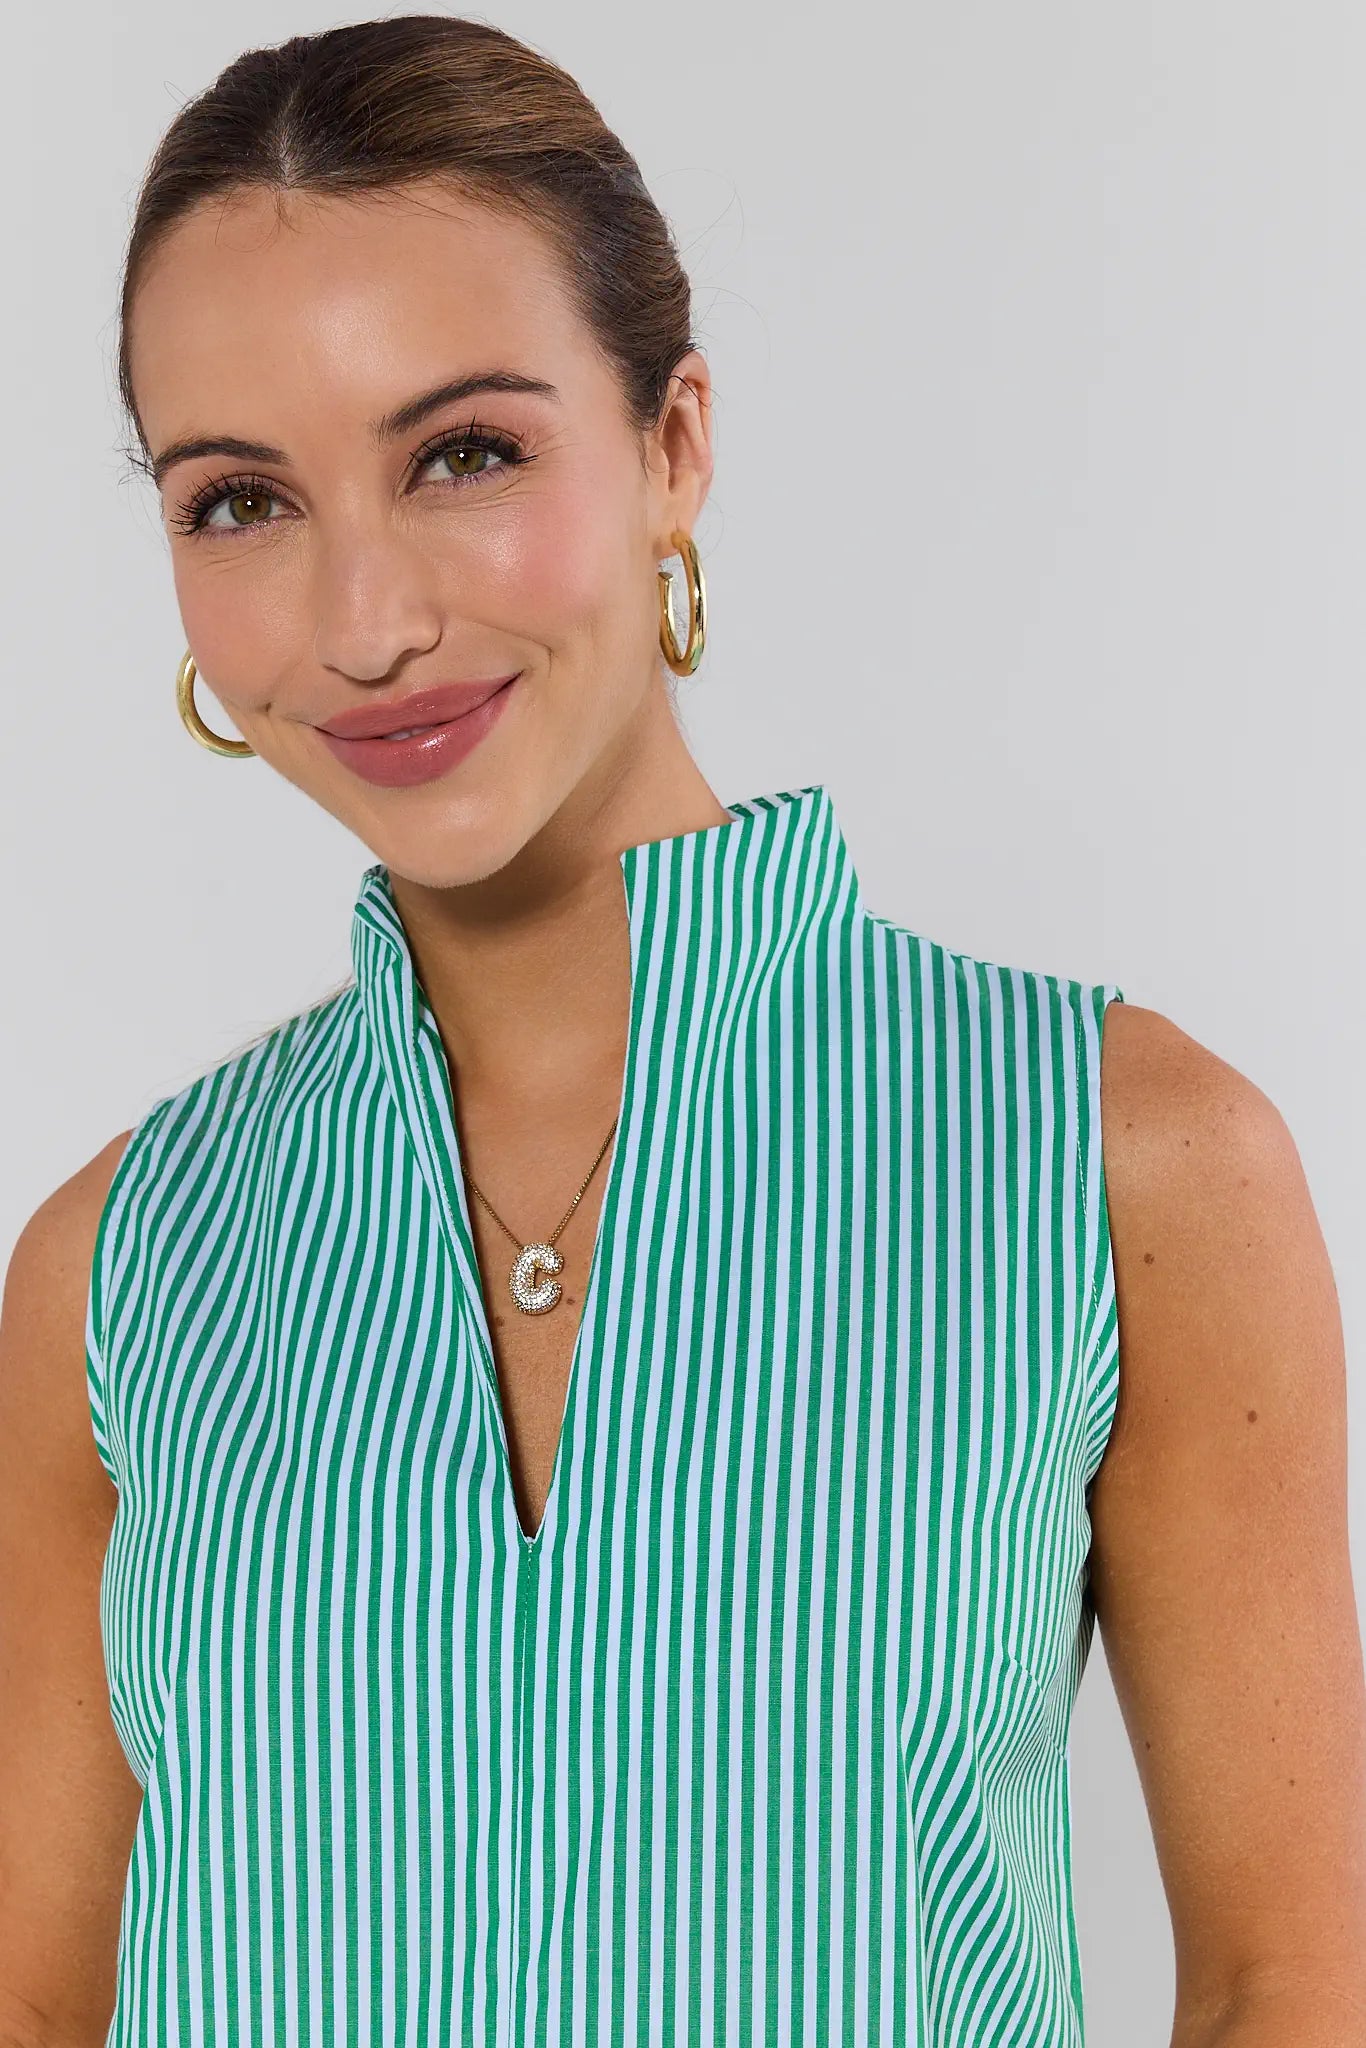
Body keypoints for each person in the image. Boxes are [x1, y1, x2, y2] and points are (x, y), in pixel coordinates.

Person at [1, 16, 1363, 2047]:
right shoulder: (120, 1265)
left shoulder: (1116, 1160)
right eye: (239, 501)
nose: (362, 621)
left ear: (671, 443)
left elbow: (1284, 1982)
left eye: (462, 451)